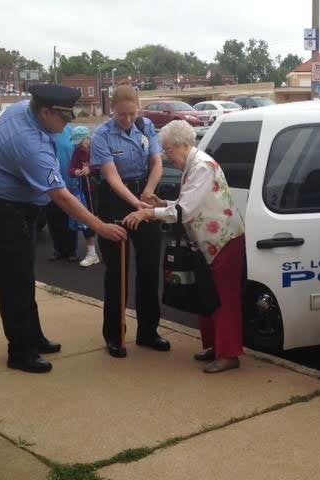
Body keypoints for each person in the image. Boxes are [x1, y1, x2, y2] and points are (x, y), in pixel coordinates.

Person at [0, 84, 126, 374]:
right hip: (3, 210)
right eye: (64, 118)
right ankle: (20, 352)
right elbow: (60, 195)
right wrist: (99, 226)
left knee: (24, 274)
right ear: (44, 112)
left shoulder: (24, 109)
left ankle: (33, 336)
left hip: (18, 206)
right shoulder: (28, 143)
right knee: (14, 281)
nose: (69, 124)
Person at [124, 120, 246, 373]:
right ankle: (215, 347)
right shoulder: (195, 165)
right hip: (209, 241)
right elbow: (188, 203)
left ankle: (229, 353)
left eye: (168, 150)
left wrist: (149, 214)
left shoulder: (201, 166)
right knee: (208, 295)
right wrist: (161, 202)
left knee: (223, 299)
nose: (168, 157)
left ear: (181, 145)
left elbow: (184, 210)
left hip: (222, 240)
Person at [90, 84, 169, 358]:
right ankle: (114, 335)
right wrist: (135, 203)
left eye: (132, 113)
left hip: (142, 193)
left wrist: (147, 192)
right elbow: (111, 177)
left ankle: (148, 332)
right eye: (122, 114)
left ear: (139, 108)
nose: (127, 119)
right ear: (112, 109)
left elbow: (157, 162)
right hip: (114, 199)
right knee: (117, 272)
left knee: (149, 268)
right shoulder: (101, 135)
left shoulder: (146, 126)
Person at [68, 126, 100, 267]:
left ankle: (108, 251)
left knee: (104, 218)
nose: (80, 145)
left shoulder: (97, 147)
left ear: (88, 138)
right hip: (85, 192)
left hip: (101, 191)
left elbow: (104, 164)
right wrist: (76, 171)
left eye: (81, 141)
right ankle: (92, 254)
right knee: (87, 220)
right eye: (77, 142)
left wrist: (90, 168)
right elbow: (70, 169)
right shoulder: (77, 152)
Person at [46, 124, 79, 262]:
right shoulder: (44, 132)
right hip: (50, 184)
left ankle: (72, 250)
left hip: (70, 182)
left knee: (71, 217)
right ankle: (58, 249)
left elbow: (81, 154)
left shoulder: (72, 132)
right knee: (53, 217)